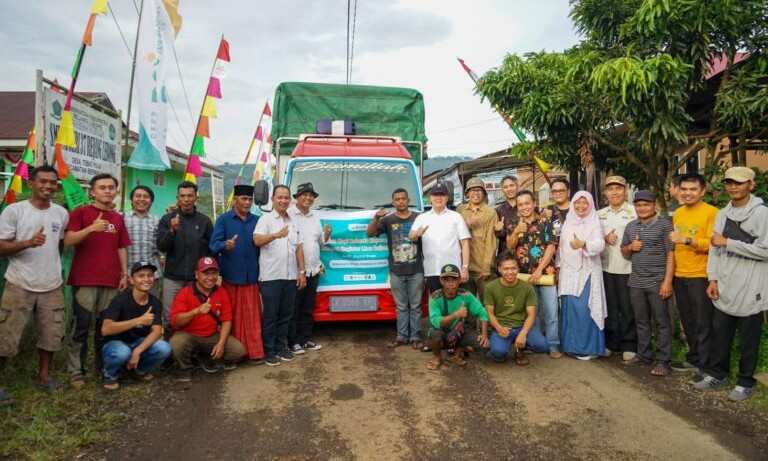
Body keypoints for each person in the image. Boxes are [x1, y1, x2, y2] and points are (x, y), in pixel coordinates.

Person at [695, 167, 768, 401]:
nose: (733, 187)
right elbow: (715, 250)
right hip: (725, 283)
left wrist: (729, 242)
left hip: (751, 285)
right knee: (721, 334)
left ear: (751, 185)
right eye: (729, 182)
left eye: (739, 182)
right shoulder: (723, 214)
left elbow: (765, 251)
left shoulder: (762, 214)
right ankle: (718, 373)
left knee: (749, 338)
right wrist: (712, 279)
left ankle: (746, 381)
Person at [0, 165, 69, 400]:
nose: (48, 186)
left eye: (53, 182)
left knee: (51, 333)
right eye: (43, 181)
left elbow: (59, 245)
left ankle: (44, 377)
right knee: (6, 333)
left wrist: (55, 268)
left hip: (51, 284)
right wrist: (27, 243)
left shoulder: (60, 213)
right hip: (19, 283)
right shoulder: (14, 211)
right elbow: (1, 246)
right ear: (31, 183)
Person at [64, 173, 131, 388]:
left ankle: (104, 369)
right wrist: (91, 228)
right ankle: (76, 371)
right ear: (92, 192)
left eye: (111, 187)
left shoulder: (118, 218)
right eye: (102, 187)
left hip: (111, 281)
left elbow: (121, 247)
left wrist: (123, 274)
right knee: (81, 326)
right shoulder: (81, 213)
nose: (107, 191)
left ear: (116, 191)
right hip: (85, 279)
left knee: (105, 328)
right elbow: (68, 240)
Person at [668, 173, 718, 378]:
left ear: (703, 191)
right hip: (680, 273)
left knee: (703, 321)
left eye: (693, 189)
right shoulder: (678, 213)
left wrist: (688, 240)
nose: (688, 193)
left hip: (701, 274)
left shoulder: (712, 213)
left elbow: (715, 243)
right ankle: (694, 358)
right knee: (687, 319)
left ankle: (706, 365)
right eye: (684, 189)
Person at [620, 190, 675, 376]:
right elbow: (623, 251)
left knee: (661, 322)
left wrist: (667, 281)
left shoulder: (664, 225)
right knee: (641, 321)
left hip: (657, 281)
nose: (642, 208)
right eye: (638, 205)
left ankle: (663, 360)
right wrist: (630, 247)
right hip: (636, 281)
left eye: (646, 204)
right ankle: (644, 355)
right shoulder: (630, 226)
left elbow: (671, 254)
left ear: (654, 206)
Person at [253, 185, 307, 366]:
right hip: (271, 277)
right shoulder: (266, 219)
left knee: (286, 315)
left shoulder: (293, 221)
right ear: (273, 199)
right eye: (280, 197)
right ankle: (269, 350)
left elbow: (299, 247)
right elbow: (257, 240)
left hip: (290, 276)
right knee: (270, 316)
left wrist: (301, 272)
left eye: (286, 198)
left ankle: (281, 347)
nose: (283, 201)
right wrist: (276, 235)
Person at [170, 257, 246, 381]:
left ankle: (206, 358)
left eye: (213, 273)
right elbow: (176, 321)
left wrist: (221, 343)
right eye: (206, 273)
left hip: (211, 335)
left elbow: (227, 320)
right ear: (196, 275)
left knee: (238, 351)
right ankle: (186, 368)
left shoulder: (221, 292)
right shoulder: (185, 292)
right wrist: (196, 311)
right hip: (189, 334)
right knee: (176, 343)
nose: (210, 277)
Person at [210, 184, 263, 361]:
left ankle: (254, 353)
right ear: (235, 200)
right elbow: (212, 245)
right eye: (244, 199)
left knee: (252, 318)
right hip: (231, 278)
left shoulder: (257, 220)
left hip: (251, 278)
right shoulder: (224, 220)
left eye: (250, 199)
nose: (247, 203)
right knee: (231, 317)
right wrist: (225, 245)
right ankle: (233, 355)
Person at [505, 190, 560, 357]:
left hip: (545, 274)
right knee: (531, 312)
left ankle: (553, 345)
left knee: (551, 311)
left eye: (527, 203)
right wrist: (516, 232)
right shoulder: (514, 223)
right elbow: (509, 246)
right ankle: (534, 342)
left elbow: (551, 247)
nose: (524, 207)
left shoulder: (545, 221)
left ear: (534, 203)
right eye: (520, 204)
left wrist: (538, 270)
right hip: (524, 276)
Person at [100, 261, 171, 390]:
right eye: (141, 276)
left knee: (164, 348)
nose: (146, 279)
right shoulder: (120, 300)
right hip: (116, 343)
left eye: (149, 275)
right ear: (132, 280)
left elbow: (156, 331)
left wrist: (138, 351)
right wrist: (138, 321)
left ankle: (139, 370)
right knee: (122, 352)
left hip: (138, 343)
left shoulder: (155, 302)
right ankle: (110, 374)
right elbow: (106, 329)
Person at [367, 188, 424, 349]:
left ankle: (415, 337)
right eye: (397, 199)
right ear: (393, 202)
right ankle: (401, 336)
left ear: (408, 200)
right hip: (396, 271)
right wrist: (376, 218)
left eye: (403, 199)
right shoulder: (388, 220)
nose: (400, 201)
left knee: (416, 306)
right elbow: (370, 233)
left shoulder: (418, 218)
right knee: (401, 307)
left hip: (416, 270)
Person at [157, 181, 214, 329]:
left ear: (196, 198)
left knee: (196, 316)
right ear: (177, 198)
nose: (186, 199)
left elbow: (211, 250)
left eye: (190, 196)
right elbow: (161, 246)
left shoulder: (204, 221)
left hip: (196, 280)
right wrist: (172, 230)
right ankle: (169, 349)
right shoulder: (167, 219)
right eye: (183, 196)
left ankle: (192, 349)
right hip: (172, 278)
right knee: (170, 318)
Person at [558, 191, 607, 360]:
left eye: (585, 203)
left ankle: (589, 348)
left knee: (585, 308)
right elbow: (561, 248)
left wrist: (584, 244)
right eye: (577, 203)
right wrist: (558, 267)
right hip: (569, 272)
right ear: (572, 204)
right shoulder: (568, 222)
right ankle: (571, 346)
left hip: (588, 271)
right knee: (571, 308)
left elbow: (600, 244)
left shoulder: (594, 222)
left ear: (591, 204)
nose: (581, 206)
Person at [597, 175, 637, 361]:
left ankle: (629, 344)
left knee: (628, 308)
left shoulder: (634, 212)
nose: (614, 192)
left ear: (625, 190)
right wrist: (604, 239)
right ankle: (611, 343)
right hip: (605, 267)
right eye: (610, 189)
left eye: (618, 188)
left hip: (627, 267)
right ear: (605, 192)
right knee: (610, 307)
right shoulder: (599, 214)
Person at [287, 183, 331, 354]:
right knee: (294, 307)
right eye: (304, 195)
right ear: (296, 197)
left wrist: (327, 234)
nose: (308, 198)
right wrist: (300, 270)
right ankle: (293, 342)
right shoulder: (289, 215)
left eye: (311, 195)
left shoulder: (314, 217)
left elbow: (320, 242)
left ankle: (305, 339)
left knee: (308, 307)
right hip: (297, 271)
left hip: (313, 270)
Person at [485, 253, 548, 365]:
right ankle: (507, 345)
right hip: (503, 327)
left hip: (522, 325)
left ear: (518, 268)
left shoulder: (527, 287)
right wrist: (499, 328)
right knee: (498, 354)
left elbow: (531, 314)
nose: (510, 272)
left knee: (542, 346)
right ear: (499, 269)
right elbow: (489, 313)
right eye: (506, 269)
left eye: (513, 268)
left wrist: (523, 333)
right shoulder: (490, 287)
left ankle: (520, 348)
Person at [410, 182, 471, 294]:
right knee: (436, 304)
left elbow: (465, 243)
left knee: (455, 304)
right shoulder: (422, 218)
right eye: (435, 195)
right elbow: (411, 237)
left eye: (442, 195)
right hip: (432, 270)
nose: (439, 198)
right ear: (430, 198)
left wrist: (465, 268)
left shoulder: (456, 217)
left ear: (447, 198)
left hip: (453, 270)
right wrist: (416, 235)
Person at [426, 264, 489, 370]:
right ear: (441, 281)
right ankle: (437, 357)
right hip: (441, 331)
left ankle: (457, 354)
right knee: (435, 335)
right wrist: (456, 314)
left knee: (484, 346)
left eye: (454, 279)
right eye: (446, 280)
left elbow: (483, 313)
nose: (450, 284)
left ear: (459, 280)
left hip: (459, 331)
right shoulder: (435, 297)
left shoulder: (466, 295)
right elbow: (437, 322)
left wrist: (484, 335)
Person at [457, 177, 499, 299]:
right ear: (467, 193)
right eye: (472, 190)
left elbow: (491, 242)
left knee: (487, 304)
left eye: (479, 190)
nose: (476, 193)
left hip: (482, 269)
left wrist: (486, 267)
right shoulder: (460, 210)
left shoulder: (490, 212)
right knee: (466, 304)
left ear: (484, 193)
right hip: (464, 267)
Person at [124, 185, 161, 295]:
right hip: (128, 275)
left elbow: (161, 248)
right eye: (138, 196)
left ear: (151, 201)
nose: (141, 199)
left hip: (152, 276)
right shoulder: (121, 218)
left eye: (146, 197)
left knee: (152, 308)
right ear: (132, 199)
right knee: (127, 310)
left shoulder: (158, 220)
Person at [495, 175, 520, 259]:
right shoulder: (498, 211)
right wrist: (498, 230)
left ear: (517, 186)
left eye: (512, 185)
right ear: (502, 190)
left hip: (526, 253)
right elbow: (498, 235)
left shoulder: (525, 206)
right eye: (505, 187)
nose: (509, 189)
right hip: (506, 255)